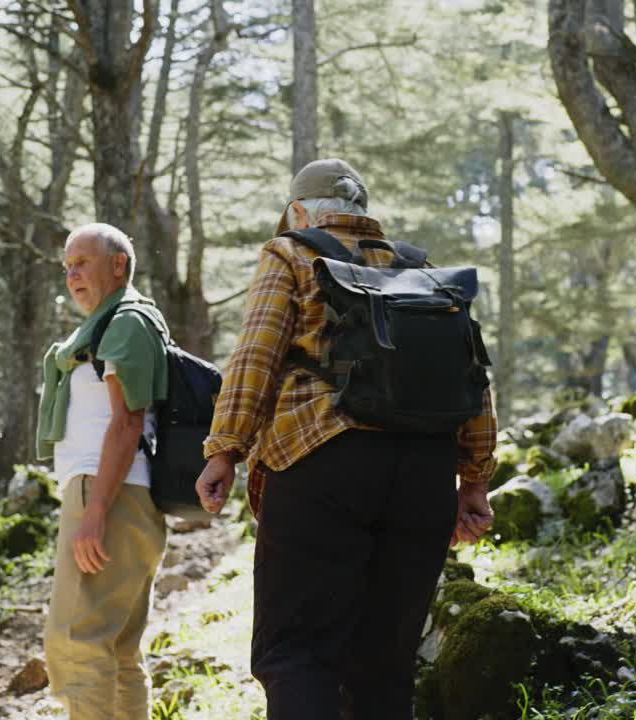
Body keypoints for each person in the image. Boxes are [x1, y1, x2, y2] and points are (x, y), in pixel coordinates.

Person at [195, 159, 498, 719]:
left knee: (298, 655)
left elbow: (256, 355)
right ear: (362, 211)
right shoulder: (419, 268)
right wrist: (474, 479)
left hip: (322, 464)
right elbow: (474, 374)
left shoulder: (290, 252)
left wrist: (225, 448)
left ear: (298, 209)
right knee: (384, 664)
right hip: (424, 473)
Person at [36, 223, 169, 720]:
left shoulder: (127, 321)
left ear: (119, 264)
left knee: (75, 641)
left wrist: (95, 508)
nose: (72, 275)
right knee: (116, 649)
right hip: (121, 496)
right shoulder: (110, 324)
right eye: (67, 266)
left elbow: (127, 420)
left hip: (109, 494)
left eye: (83, 262)